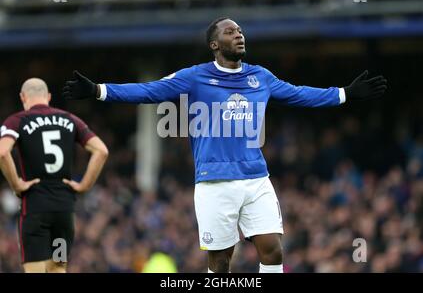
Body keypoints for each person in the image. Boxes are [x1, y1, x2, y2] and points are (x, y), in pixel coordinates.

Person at [62, 17, 387, 273]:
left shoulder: (260, 76)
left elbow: (301, 93)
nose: (239, 35)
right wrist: (98, 90)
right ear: (215, 44)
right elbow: (149, 91)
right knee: (220, 262)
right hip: (214, 182)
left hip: (256, 178)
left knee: (272, 249)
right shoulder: (194, 76)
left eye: (241, 30)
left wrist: (344, 93)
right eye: (231, 32)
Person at [0, 78, 108, 273]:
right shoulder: (70, 119)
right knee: (58, 268)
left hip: (35, 211)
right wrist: (84, 185)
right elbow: (101, 151)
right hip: (64, 213)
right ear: (48, 97)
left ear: (23, 97)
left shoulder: (17, 121)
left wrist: (16, 184)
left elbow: (2, 152)